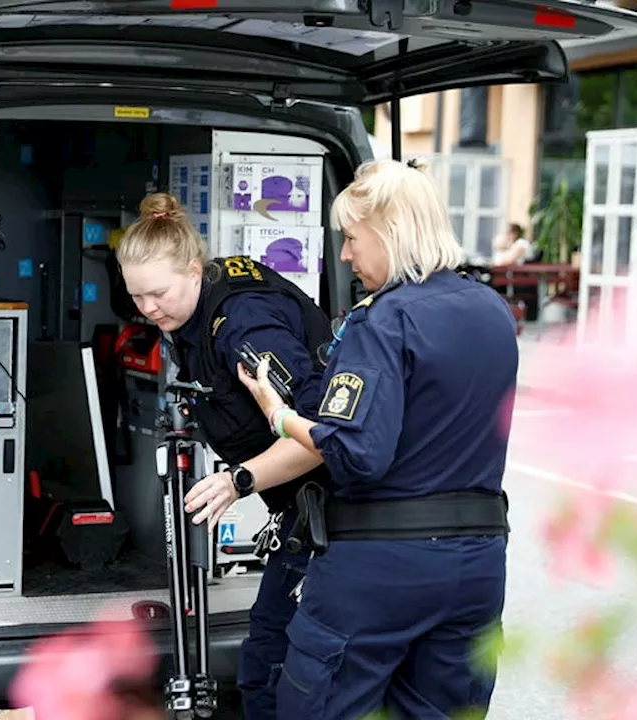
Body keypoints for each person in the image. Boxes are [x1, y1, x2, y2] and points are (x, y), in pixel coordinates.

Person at [236, 157, 518, 720]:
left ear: (391, 232)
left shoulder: (383, 321)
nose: (344, 255)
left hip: (380, 571)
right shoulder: (492, 312)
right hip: (477, 568)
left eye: (350, 238)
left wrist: (279, 413)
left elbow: (357, 451)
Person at [114, 192, 334, 720]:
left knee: (271, 668)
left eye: (158, 294)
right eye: (136, 297)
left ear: (194, 269)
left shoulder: (245, 325)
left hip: (343, 515)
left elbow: (322, 434)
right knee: (266, 664)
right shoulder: (192, 311)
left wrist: (240, 480)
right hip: (306, 512)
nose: (148, 309)